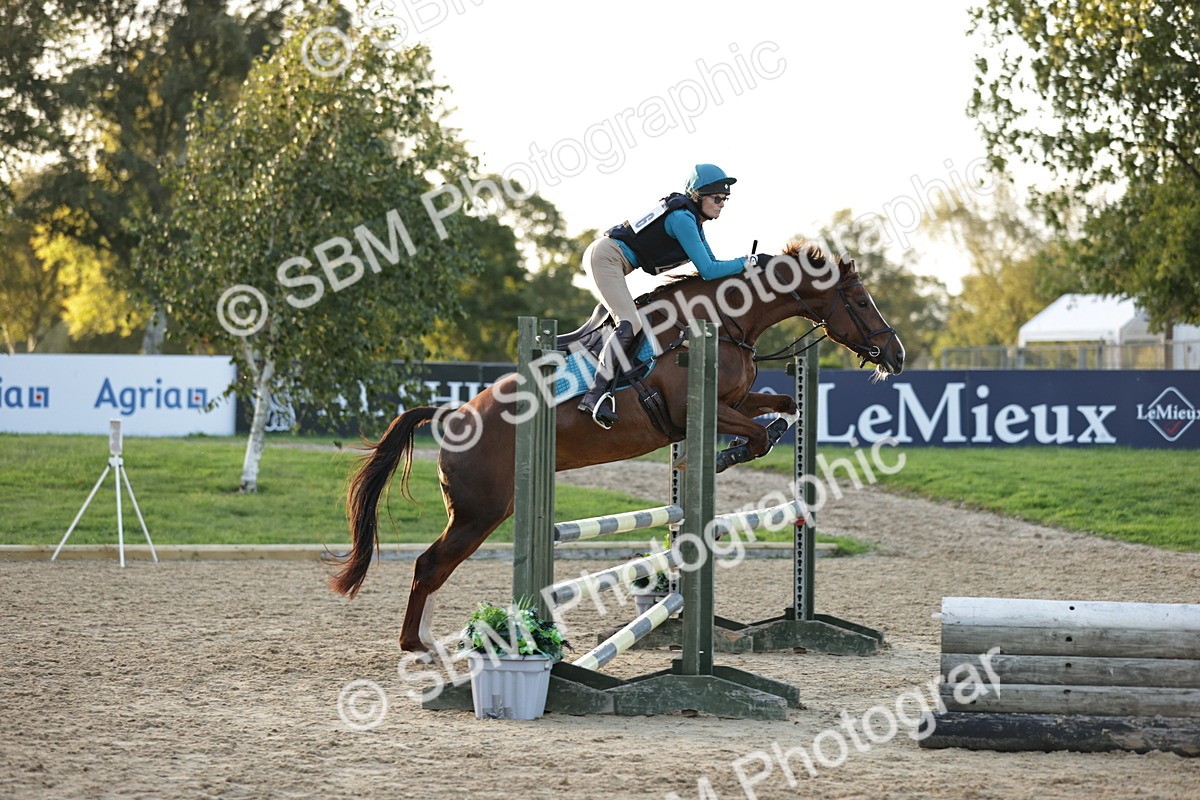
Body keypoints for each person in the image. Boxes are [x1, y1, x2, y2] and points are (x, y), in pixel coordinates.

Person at [577, 163, 768, 428]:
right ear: (697, 196)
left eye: (725, 199)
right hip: (606, 258)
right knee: (630, 322)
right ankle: (595, 394)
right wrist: (751, 261)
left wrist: (748, 268)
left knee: (634, 321)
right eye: (716, 198)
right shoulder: (682, 219)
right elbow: (710, 271)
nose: (722, 203)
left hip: (614, 261)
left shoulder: (694, 221)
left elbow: (712, 267)